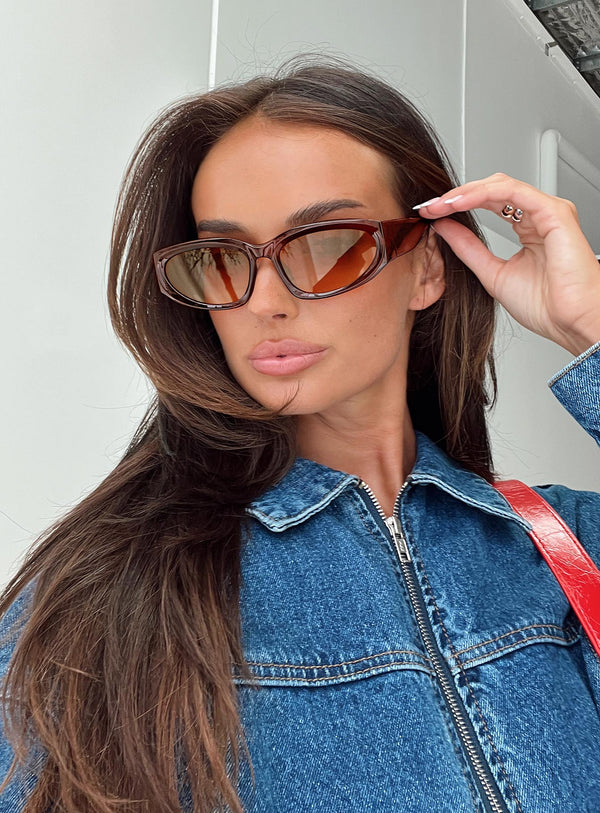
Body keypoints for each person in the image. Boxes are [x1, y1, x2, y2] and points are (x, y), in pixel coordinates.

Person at [1, 55, 600, 813]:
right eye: (224, 259)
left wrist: (590, 327)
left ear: (426, 269)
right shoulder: (110, 594)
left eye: (323, 243)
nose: (263, 302)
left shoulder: (567, 545)